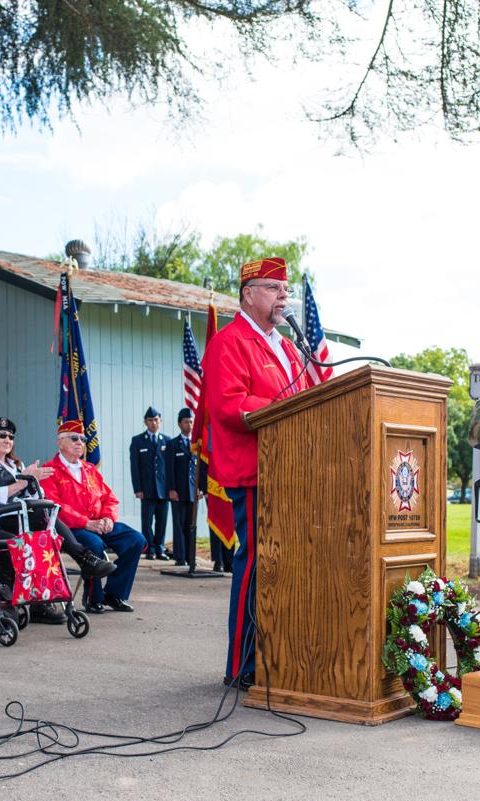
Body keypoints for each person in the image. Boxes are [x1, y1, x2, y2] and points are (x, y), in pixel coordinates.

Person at [202, 258, 312, 689]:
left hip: (292, 472)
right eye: (273, 288)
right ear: (248, 293)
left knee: (288, 567)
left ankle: (281, 654)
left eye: (285, 290)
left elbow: (307, 397)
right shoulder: (230, 342)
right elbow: (229, 406)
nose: (283, 296)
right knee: (253, 567)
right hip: (254, 472)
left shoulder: (286, 347)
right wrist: (283, 410)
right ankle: (241, 664)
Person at [0, 416, 116, 579]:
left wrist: (33, 482)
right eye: (1, 435)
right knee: (43, 517)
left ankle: (49, 590)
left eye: (11, 437)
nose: (7, 440)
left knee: (47, 515)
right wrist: (22, 481)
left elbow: (32, 495)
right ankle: (84, 559)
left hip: (21, 515)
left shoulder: (16, 464)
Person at [40, 420, 145, 614]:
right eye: (74, 438)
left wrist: (108, 519)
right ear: (60, 442)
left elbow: (109, 499)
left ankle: (114, 594)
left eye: (83, 438)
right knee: (94, 545)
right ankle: (93, 597)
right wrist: (86, 523)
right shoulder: (50, 470)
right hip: (72, 529)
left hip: (99, 523)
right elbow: (55, 507)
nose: (80, 442)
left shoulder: (90, 469)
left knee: (136, 540)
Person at [130, 406, 171, 559]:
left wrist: (171, 487)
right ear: (145, 422)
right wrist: (137, 488)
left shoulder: (167, 440)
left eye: (156, 420)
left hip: (164, 489)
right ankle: (150, 549)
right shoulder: (138, 441)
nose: (153, 423)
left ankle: (160, 548)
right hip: (146, 488)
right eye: (150, 420)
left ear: (160, 421)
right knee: (147, 521)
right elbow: (135, 467)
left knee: (162, 520)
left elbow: (170, 468)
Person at [165, 408, 198, 566]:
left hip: (193, 491)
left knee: (191, 525)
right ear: (180, 423)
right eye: (186, 422)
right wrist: (171, 489)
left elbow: (200, 468)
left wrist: (201, 488)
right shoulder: (172, 444)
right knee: (178, 524)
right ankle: (180, 556)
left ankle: (191, 557)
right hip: (177, 491)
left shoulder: (197, 444)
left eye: (191, 421)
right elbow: (169, 468)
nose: (190, 425)